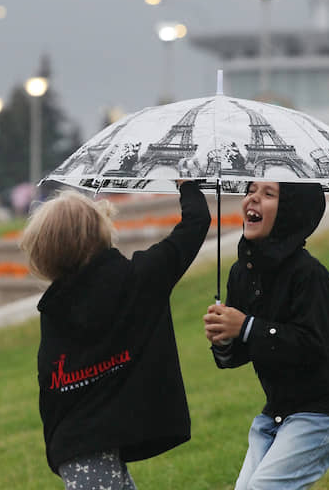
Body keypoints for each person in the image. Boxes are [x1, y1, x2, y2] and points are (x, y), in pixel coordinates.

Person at [19, 181, 210, 489]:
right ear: (100, 234)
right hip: (92, 449)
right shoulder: (138, 280)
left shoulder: (54, 310)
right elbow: (196, 225)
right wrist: (188, 187)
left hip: (74, 448)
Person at [203, 181, 329, 489]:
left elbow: (313, 346)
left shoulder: (310, 276)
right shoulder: (242, 273)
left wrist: (246, 326)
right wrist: (224, 340)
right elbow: (240, 353)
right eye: (251, 189)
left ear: (291, 211)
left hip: (326, 409)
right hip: (278, 411)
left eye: (268, 193)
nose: (253, 198)